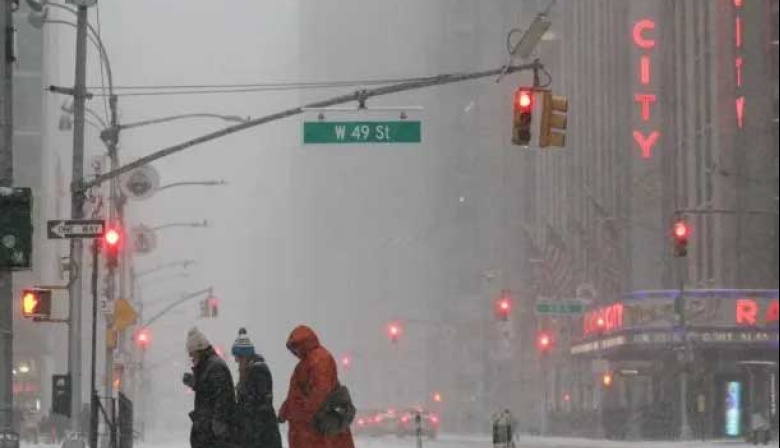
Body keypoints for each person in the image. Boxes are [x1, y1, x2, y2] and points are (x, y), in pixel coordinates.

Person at [279, 325, 355, 448]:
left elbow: (319, 395)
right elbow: (297, 394)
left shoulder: (320, 360)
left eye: (296, 346)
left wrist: (297, 413)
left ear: (303, 343)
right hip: (308, 430)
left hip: (314, 431)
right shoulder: (307, 362)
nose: (295, 351)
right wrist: (286, 410)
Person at [182, 327, 236, 448]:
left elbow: (222, 397)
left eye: (192, 354)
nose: (191, 358)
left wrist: (218, 424)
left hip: (213, 438)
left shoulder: (215, 367)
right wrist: (195, 382)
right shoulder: (208, 367)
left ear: (199, 351)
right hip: (208, 435)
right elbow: (208, 390)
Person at [231, 328, 283, 448]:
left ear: (245, 356)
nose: (237, 361)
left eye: (238, 358)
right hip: (257, 436)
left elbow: (260, 405)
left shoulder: (258, 371)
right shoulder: (250, 372)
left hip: (262, 438)